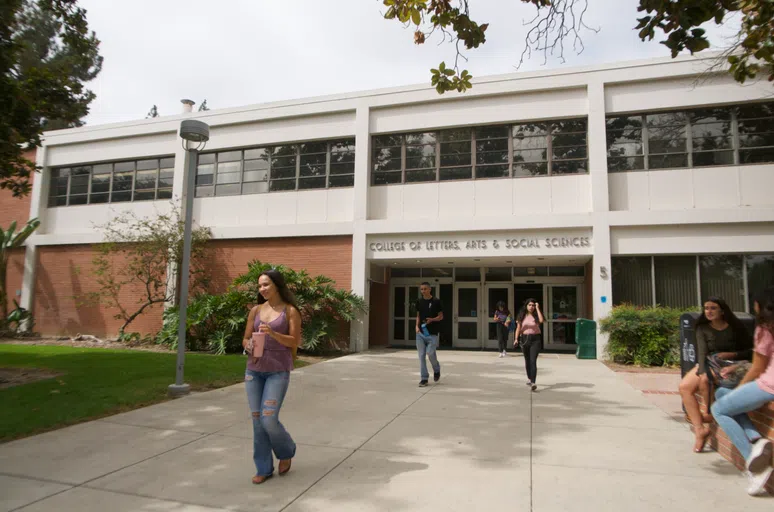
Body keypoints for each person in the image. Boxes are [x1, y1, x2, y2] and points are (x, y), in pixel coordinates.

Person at [711, 287, 774, 496]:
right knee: (722, 394)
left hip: (769, 385)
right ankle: (757, 441)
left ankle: (755, 466)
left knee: (719, 409)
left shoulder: (766, 328)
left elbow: (757, 368)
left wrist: (739, 390)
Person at [241, 269, 302, 485]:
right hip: (254, 371)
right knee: (258, 421)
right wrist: (248, 345)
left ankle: (286, 451)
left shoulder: (290, 311)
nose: (262, 289)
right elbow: (245, 338)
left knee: (268, 418)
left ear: (277, 285)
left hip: (278, 370)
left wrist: (274, 334)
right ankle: (264, 468)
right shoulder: (255, 310)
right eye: (259, 286)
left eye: (266, 284)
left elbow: (294, 342)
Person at [679, 297, 751, 453]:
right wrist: (702, 370)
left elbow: (750, 351)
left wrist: (731, 354)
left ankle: (709, 412)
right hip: (709, 362)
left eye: (713, 308)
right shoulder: (702, 328)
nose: (709, 311)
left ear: (722, 310)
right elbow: (702, 352)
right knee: (684, 387)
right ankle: (700, 430)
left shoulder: (736, 327)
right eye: (706, 308)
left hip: (732, 364)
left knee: (706, 380)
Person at [415, 282, 442, 387]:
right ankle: (424, 378)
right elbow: (418, 316)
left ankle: (436, 369)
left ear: (430, 289)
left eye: (425, 289)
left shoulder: (436, 301)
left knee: (430, 354)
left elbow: (441, 317)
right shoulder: (419, 301)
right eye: (421, 289)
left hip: (432, 334)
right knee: (421, 356)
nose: (423, 291)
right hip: (420, 333)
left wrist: (432, 320)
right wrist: (416, 326)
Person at [514, 298, 544, 391]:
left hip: (535, 339)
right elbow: (518, 328)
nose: (531, 307)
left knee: (533, 360)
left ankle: (533, 382)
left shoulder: (536, 315)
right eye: (530, 305)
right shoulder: (522, 315)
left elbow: (541, 320)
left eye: (533, 305)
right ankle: (529, 378)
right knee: (527, 360)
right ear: (526, 306)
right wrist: (516, 339)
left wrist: (538, 308)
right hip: (524, 339)